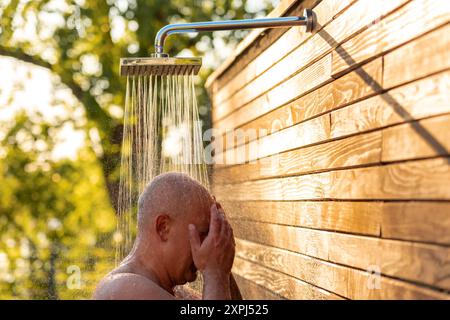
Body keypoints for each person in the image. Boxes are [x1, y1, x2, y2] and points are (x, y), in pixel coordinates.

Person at [93, 172, 242, 300]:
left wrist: (222, 266)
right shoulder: (123, 289)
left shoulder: (175, 291)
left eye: (211, 235)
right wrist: (215, 273)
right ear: (163, 228)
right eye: (203, 233)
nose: (207, 245)